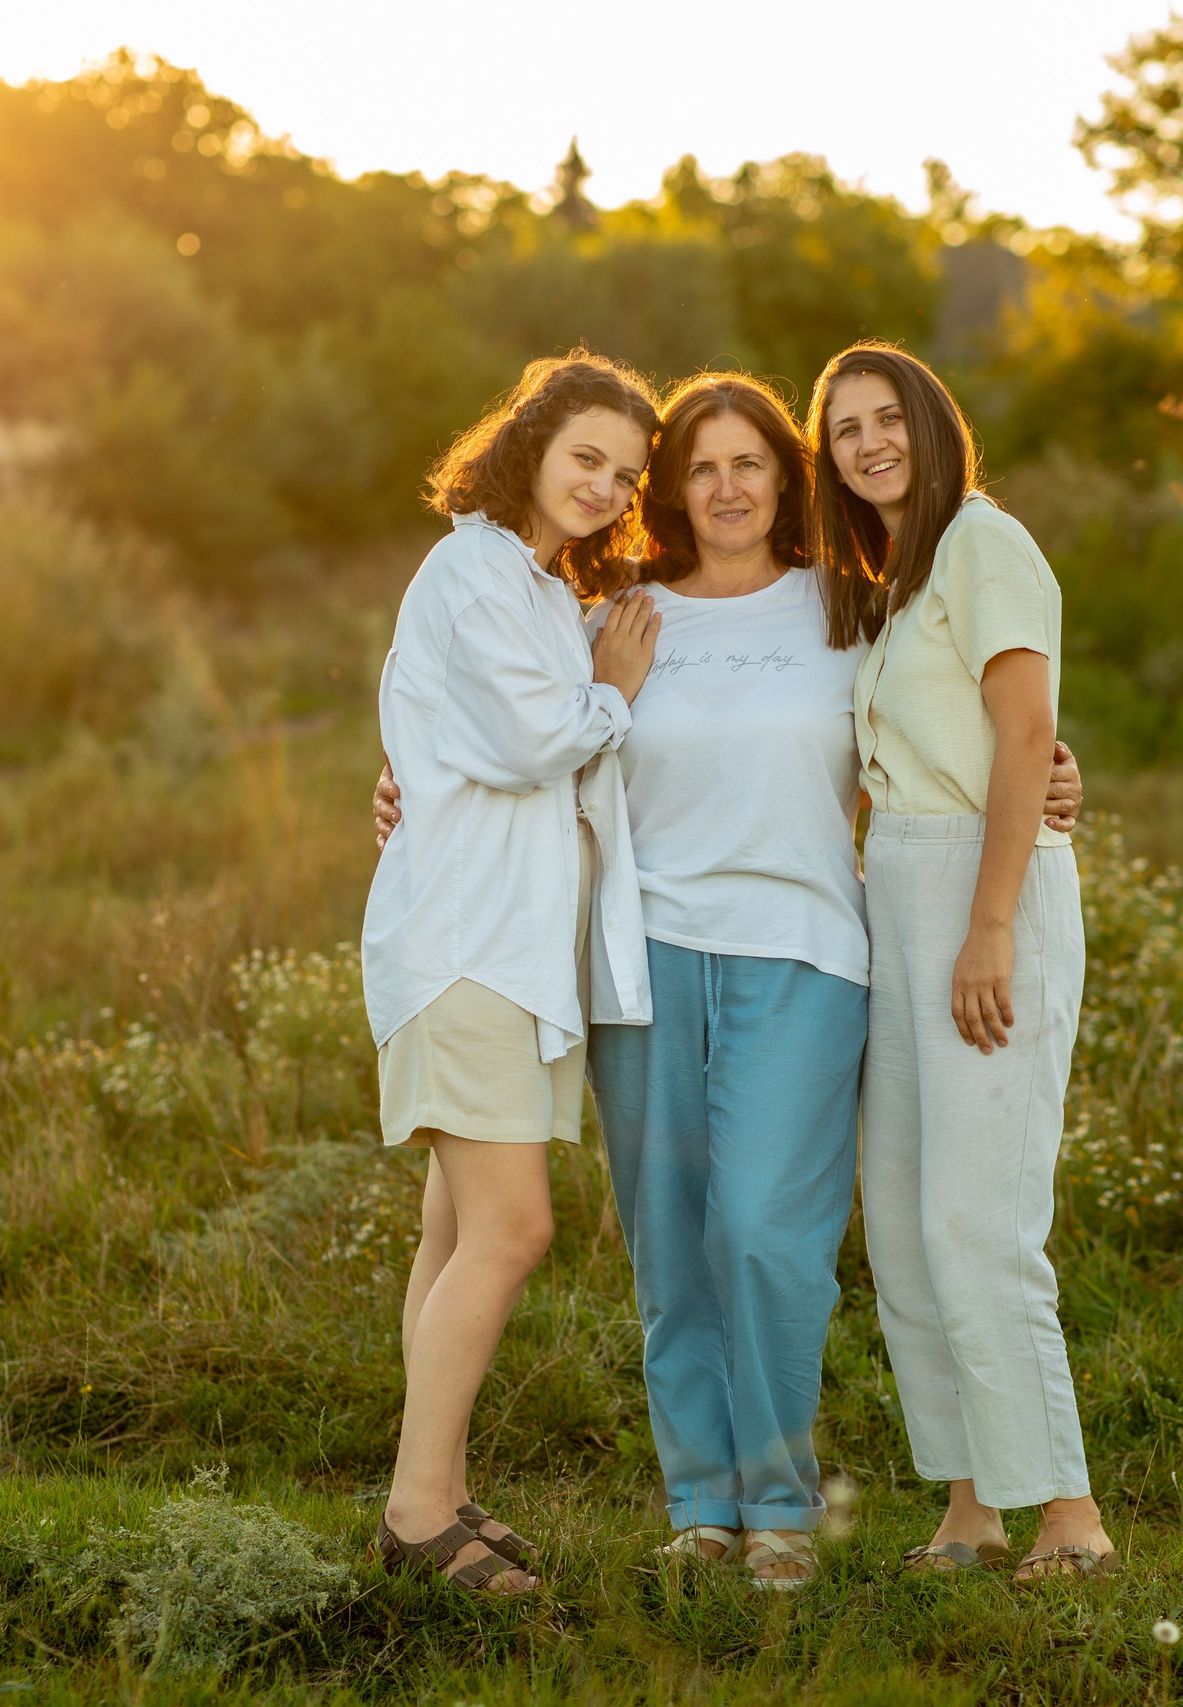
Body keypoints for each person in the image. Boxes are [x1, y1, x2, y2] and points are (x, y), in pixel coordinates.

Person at [373, 369, 1084, 1589]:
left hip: (808, 953)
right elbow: (507, 716)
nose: (726, 486)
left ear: (784, 478)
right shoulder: (615, 613)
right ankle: (703, 1505)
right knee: (673, 1247)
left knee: (768, 1235)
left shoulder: (846, 605)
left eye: (749, 462)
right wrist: (400, 784)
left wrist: (1058, 774)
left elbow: (949, 720)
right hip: (640, 960)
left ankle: (781, 1509)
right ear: (670, 493)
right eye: (698, 467)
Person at [810, 341, 1115, 1583]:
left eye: (889, 418)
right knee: (905, 1223)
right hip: (900, 890)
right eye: (844, 430)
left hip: (985, 892)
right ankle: (970, 1505)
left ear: (934, 426)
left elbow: (1025, 732)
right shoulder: (889, 580)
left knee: (978, 1220)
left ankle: (1070, 1519)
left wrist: (990, 925)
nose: (870, 442)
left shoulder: (988, 543)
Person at [360, 350, 663, 1596]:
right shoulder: (477, 568)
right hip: (466, 941)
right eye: (585, 456)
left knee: (454, 1228)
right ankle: (416, 1514)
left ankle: (439, 1484)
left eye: (626, 473)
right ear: (530, 442)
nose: (603, 484)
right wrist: (614, 690)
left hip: (515, 950)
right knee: (512, 1225)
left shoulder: (539, 587)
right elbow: (538, 739)